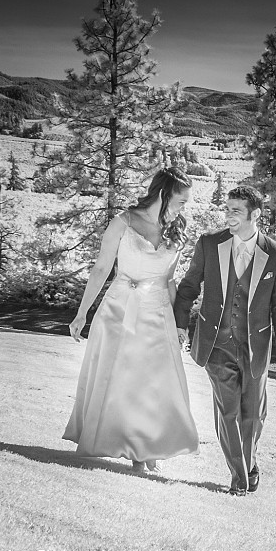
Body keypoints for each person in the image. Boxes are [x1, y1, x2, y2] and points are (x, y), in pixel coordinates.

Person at [64, 167, 199, 473]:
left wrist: (180, 325)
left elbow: (170, 281)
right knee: (121, 379)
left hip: (158, 312)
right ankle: (128, 447)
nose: (182, 209)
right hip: (119, 310)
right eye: (180, 202)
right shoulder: (123, 221)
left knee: (154, 383)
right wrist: (81, 313)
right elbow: (101, 269)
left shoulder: (176, 230)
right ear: (163, 195)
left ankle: (147, 448)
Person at [174, 185, 276, 496]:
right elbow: (188, 287)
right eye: (226, 209)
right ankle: (240, 479)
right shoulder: (210, 243)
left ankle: (249, 463)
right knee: (228, 411)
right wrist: (179, 325)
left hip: (255, 346)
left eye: (235, 211)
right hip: (215, 344)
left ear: (255, 215)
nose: (228, 215)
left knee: (252, 414)